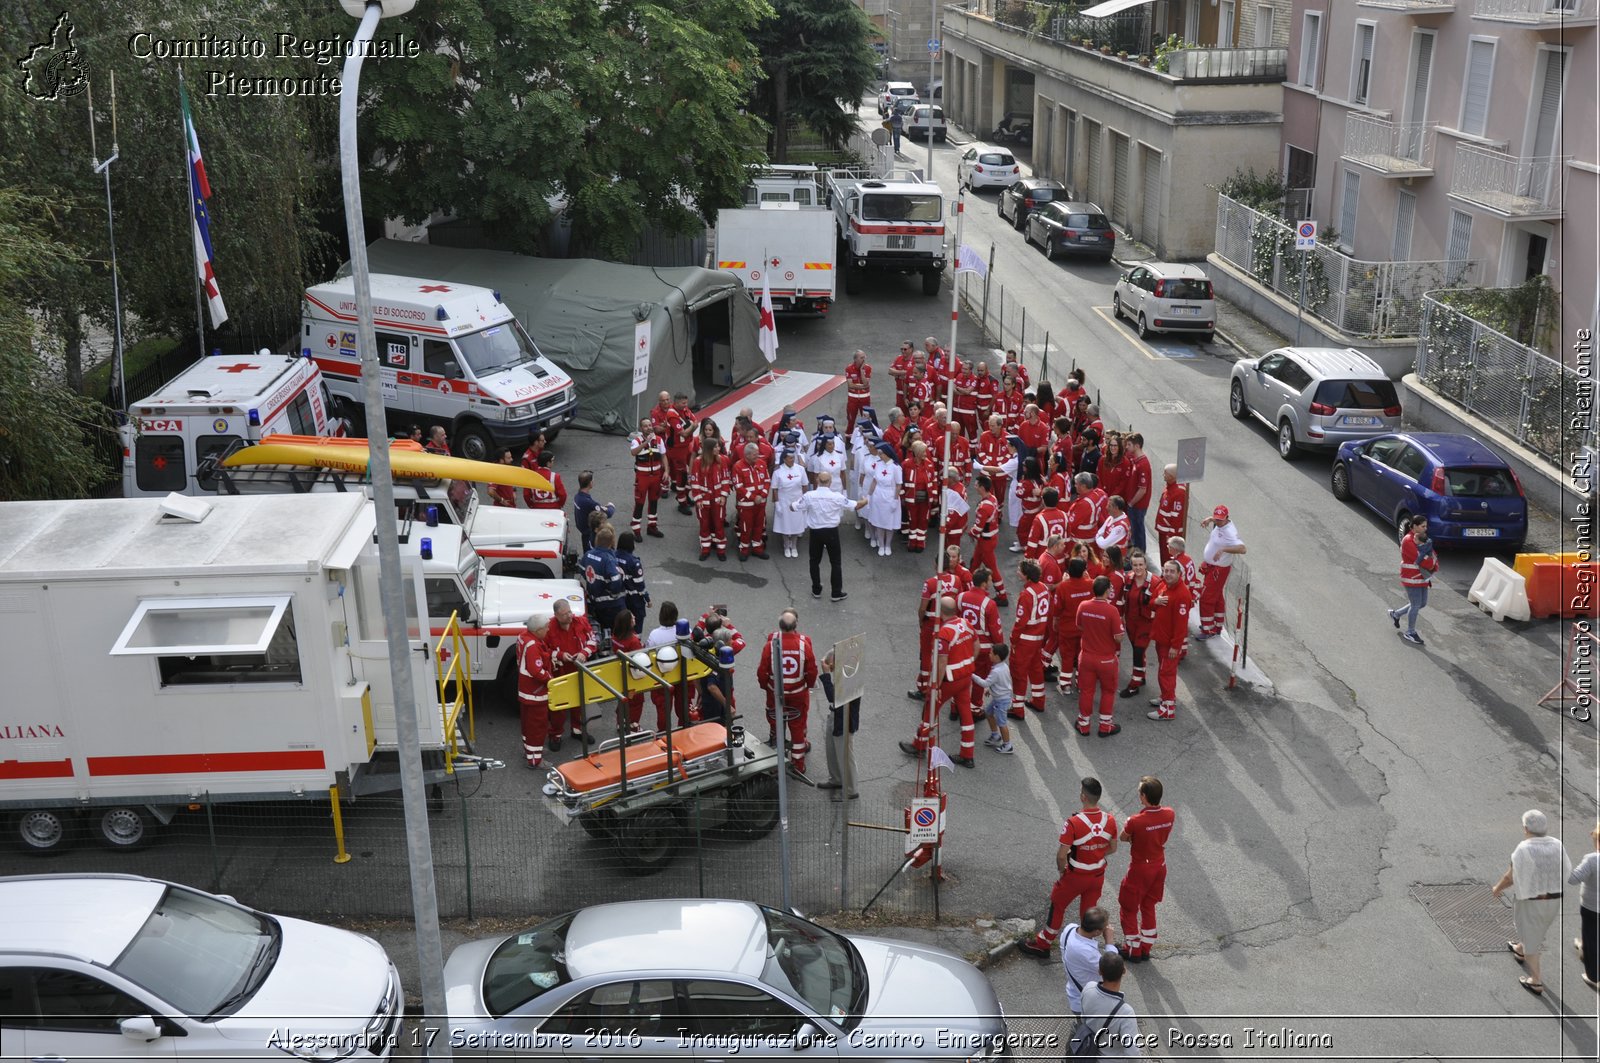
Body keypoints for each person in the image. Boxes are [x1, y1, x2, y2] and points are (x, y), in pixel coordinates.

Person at [1019, 777, 1120, 957]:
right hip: (1097, 876)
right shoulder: (1110, 820)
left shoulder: (1074, 822)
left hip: (1075, 876)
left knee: (1058, 905)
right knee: (1088, 914)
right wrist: (1096, 853)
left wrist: (1062, 869)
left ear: (1083, 796)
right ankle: (1086, 949)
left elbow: (1061, 855)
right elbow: (1112, 848)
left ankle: (1043, 943)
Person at [1493, 808, 1573, 995]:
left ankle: (1535, 980)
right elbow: (1567, 871)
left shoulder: (1524, 848)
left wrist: (1497, 889)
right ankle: (1521, 948)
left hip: (1531, 901)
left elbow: (1510, 877)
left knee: (1531, 938)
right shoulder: (1557, 844)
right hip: (1553, 901)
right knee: (1535, 931)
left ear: (1526, 828)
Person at [900, 595, 978, 767]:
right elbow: (976, 645)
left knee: (930, 710)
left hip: (950, 680)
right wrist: (969, 662)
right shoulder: (966, 624)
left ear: (940, 612)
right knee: (966, 714)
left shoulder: (945, 632)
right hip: (965, 677)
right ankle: (967, 754)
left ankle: (919, 745)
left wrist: (935, 684)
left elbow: (942, 662)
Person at [1117, 776, 1175, 963]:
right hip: (1159, 866)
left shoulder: (1135, 820)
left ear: (1144, 796)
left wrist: (1135, 837)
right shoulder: (1170, 814)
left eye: (1139, 792)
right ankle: (1145, 947)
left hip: (1141, 868)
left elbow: (1123, 837)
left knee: (1129, 907)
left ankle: (1132, 950)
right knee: (1148, 905)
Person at [756, 608, 819, 776]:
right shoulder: (804, 644)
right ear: (795, 625)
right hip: (798, 694)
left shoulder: (770, 643)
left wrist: (766, 687)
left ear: (779, 625)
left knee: (776, 725)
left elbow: (762, 672)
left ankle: (777, 764)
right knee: (797, 728)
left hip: (775, 694)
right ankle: (798, 765)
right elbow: (812, 671)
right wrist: (808, 685)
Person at [793, 472, 867, 602]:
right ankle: (836, 592)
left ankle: (816, 589)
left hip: (815, 532)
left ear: (817, 480)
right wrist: (866, 500)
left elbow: (794, 507)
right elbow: (856, 505)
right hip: (831, 532)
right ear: (830, 482)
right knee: (835, 562)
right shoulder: (836, 497)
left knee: (814, 561)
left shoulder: (809, 496)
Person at [1075, 576, 1124, 738]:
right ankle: (1104, 726)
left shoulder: (1083, 605)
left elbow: (1079, 625)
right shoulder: (1112, 611)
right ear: (1107, 591)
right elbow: (1118, 637)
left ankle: (1083, 725)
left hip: (1087, 657)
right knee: (1108, 691)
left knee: (1086, 691)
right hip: (1106, 660)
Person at [544, 599, 597, 749]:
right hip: (559, 672)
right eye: (564, 614)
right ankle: (555, 735)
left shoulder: (580, 622)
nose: (569, 616)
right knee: (558, 706)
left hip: (579, 669)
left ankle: (578, 730)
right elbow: (543, 650)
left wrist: (584, 653)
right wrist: (559, 655)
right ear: (556, 615)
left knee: (579, 701)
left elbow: (592, 640)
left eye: (569, 612)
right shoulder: (549, 628)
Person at [1147, 559, 1194, 721]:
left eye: (1171, 571)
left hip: (1169, 645)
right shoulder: (1162, 585)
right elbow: (1152, 603)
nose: (1167, 574)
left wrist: (1176, 647)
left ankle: (1167, 710)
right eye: (1166, 570)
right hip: (1161, 640)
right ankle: (1166, 697)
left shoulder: (1182, 595)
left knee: (1166, 674)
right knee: (1164, 672)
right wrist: (1156, 601)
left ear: (1179, 574)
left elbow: (1181, 626)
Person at [1076, 952, 1141, 1058]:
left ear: (1100, 971)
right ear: (1124, 971)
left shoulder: (1088, 988)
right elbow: (1133, 1053)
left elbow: (1083, 1020)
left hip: (1087, 1054)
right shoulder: (1126, 1012)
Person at [1195, 505, 1245, 640]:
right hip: (1214, 567)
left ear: (1227, 518)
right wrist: (1210, 519)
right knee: (1216, 596)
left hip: (1218, 569)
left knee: (1206, 598)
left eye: (1220, 520)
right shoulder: (1221, 524)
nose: (1217, 522)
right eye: (1216, 519)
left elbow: (1242, 549)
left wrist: (1223, 549)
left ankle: (1208, 629)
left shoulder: (1230, 532)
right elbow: (1217, 521)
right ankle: (1217, 625)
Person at [817, 647, 860, 801]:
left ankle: (851, 789)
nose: (830, 667)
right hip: (835, 716)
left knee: (845, 755)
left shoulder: (850, 678)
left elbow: (833, 697)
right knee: (832, 749)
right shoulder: (845, 672)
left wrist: (826, 675)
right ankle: (836, 779)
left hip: (844, 720)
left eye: (831, 664)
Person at [1010, 558, 1051, 716]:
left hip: (1025, 640)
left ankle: (1018, 708)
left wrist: (1013, 640)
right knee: (1035, 669)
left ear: (1026, 575)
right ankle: (1039, 700)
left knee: (1018, 673)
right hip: (1038, 637)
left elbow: (1020, 622)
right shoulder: (1043, 588)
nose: (1017, 572)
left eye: (1020, 570)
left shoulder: (1026, 594)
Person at [1389, 515, 1438, 646]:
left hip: (1421, 577)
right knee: (1416, 604)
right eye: (1423, 526)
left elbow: (1432, 555)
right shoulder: (1408, 540)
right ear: (1415, 526)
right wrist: (1432, 562)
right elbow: (1425, 560)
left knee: (1421, 603)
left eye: (1426, 526)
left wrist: (1432, 561)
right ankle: (1410, 632)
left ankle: (1396, 614)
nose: (1425, 529)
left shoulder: (1421, 539)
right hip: (1411, 577)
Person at [1061, 907, 1116, 1018]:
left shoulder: (1070, 928)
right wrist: (1109, 941)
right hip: (1086, 1003)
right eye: (1105, 927)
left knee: (1083, 1027)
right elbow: (1112, 967)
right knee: (1087, 1030)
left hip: (1075, 993)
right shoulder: (1086, 952)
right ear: (1097, 932)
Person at [515, 615, 552, 768]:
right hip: (535, 693)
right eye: (546, 628)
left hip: (526, 691)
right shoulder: (532, 645)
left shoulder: (523, 637)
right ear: (538, 630)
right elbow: (536, 670)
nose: (548, 629)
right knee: (537, 726)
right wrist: (551, 679)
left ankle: (529, 751)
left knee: (528, 725)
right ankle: (535, 760)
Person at [1053, 556, 1095, 694]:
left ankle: (1065, 685)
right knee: (1081, 656)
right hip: (1085, 628)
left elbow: (1057, 608)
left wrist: (1055, 621)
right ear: (1084, 571)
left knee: (1067, 656)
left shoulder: (1062, 587)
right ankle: (1080, 682)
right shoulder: (1091, 584)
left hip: (1067, 628)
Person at [644, 602, 688, 730]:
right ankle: (685, 731)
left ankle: (664, 735)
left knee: (663, 710)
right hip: (682, 674)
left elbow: (648, 653)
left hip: (662, 676)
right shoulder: (685, 630)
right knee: (684, 705)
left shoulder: (655, 634)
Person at [1119, 553, 1156, 700]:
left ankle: (1134, 684)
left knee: (1139, 652)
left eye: (1141, 564)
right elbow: (1123, 598)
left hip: (1146, 623)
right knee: (1136, 649)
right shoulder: (1128, 579)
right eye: (1135, 565)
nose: (1138, 567)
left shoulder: (1155, 582)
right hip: (1131, 621)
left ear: (1146, 565)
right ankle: (1141, 674)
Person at [689, 439, 733, 561]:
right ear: (709, 448)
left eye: (719, 447)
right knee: (704, 524)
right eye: (715, 447)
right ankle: (706, 549)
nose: (718, 449)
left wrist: (724, 496)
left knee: (719, 524)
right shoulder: (698, 462)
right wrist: (698, 499)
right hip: (703, 500)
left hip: (718, 499)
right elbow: (695, 481)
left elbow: (725, 479)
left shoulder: (722, 460)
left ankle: (721, 549)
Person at [967, 474, 1007, 605]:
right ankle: (968, 586)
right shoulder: (992, 499)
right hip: (988, 539)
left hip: (986, 541)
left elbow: (978, 528)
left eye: (977, 484)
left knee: (992, 569)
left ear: (982, 488)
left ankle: (1002, 595)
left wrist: (971, 532)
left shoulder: (984, 507)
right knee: (974, 563)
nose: (975, 486)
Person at [1570, 820, 1600, 989]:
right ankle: (1583, 943)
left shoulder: (1592, 860)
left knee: (1591, 936)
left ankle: (1593, 976)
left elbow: (1574, 879)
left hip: (1591, 907)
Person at [581, 525, 626, 634]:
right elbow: (615, 580)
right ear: (611, 543)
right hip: (611, 605)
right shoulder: (608, 560)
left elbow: (582, 570)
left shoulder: (588, 555)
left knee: (600, 629)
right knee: (617, 631)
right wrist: (613, 592)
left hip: (594, 601)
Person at [628, 417, 668, 538]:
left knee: (654, 501)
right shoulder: (637, 441)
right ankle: (636, 529)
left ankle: (652, 527)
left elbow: (664, 456)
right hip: (642, 477)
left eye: (650, 425)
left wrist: (667, 471)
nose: (648, 427)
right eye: (645, 426)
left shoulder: (659, 440)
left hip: (656, 476)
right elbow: (633, 452)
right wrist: (646, 442)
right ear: (641, 428)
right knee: (639, 503)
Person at [733, 442, 773, 560]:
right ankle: (744, 549)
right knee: (746, 527)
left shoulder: (761, 464)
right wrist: (753, 497)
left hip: (760, 503)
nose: (758, 456)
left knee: (759, 526)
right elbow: (739, 487)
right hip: (746, 505)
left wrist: (763, 494)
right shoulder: (738, 467)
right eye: (755, 454)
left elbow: (767, 480)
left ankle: (757, 548)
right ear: (747, 455)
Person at [973, 642, 1014, 754]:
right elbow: (999, 682)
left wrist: (972, 675)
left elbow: (985, 683)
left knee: (1002, 722)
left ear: (997, 656)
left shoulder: (996, 671)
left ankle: (1007, 745)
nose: (989, 654)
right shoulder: (1003, 666)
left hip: (1001, 700)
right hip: (1000, 698)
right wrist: (990, 689)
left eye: (991, 653)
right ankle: (995, 736)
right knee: (988, 712)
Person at [865, 441, 904, 557]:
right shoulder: (878, 464)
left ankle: (888, 545)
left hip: (890, 495)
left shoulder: (896, 468)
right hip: (878, 495)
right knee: (879, 522)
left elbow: (898, 485)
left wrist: (895, 500)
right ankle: (881, 545)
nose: (879, 455)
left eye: (881, 453)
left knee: (889, 523)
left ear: (887, 453)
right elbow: (874, 481)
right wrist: (869, 495)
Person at [609, 610, 646, 733]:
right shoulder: (633, 641)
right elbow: (639, 657)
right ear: (628, 623)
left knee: (623, 698)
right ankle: (633, 726)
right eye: (632, 618)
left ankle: (621, 722)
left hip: (620, 673)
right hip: (633, 676)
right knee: (636, 702)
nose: (635, 617)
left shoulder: (615, 636)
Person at [770, 448, 809, 559]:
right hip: (784, 501)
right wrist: (777, 504)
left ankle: (794, 546)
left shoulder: (800, 470)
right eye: (790, 458)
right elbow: (775, 489)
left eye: (793, 458)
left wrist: (804, 501)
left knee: (796, 524)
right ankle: (787, 545)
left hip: (797, 500)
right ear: (784, 459)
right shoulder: (778, 472)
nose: (792, 460)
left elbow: (805, 485)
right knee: (785, 524)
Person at [1122, 433, 1153, 554]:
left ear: (1137, 446)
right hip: (1134, 505)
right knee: (1135, 531)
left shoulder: (1143, 464)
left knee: (1137, 532)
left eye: (1129, 444)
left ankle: (1139, 555)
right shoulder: (1136, 461)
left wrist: (1131, 503)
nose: (1127, 447)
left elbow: (1142, 489)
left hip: (1137, 506)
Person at [1153, 465, 1187, 567]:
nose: (1163, 475)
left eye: (1166, 474)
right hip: (1164, 531)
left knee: (1168, 557)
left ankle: (1166, 576)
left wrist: (1171, 537)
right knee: (1163, 555)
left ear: (1172, 476)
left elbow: (1177, 517)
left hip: (1168, 533)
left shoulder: (1179, 492)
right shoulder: (1170, 486)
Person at [615, 531, 649, 623]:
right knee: (636, 626)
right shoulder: (634, 562)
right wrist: (647, 599)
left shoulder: (613, 556)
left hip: (619, 597)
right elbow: (640, 585)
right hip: (634, 599)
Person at [844, 350, 873, 435]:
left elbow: (866, 383)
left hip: (865, 399)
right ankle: (849, 437)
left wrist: (861, 371)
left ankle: (867, 436)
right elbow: (850, 385)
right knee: (851, 419)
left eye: (864, 357)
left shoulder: (867, 368)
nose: (864, 359)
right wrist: (862, 386)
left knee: (866, 419)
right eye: (861, 358)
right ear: (855, 359)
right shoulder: (849, 368)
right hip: (853, 399)